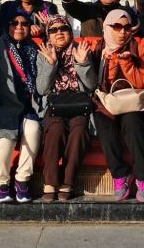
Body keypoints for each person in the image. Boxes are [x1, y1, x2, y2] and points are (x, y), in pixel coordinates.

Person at [0, 13, 43, 203]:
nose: (19, 27)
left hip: (28, 107)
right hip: (3, 105)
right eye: (14, 23)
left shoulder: (35, 49)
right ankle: (1, 185)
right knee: (5, 140)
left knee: (33, 130)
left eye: (24, 23)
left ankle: (22, 180)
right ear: (7, 26)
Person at [94, 9, 144, 202]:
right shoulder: (98, 49)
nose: (122, 32)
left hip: (132, 102)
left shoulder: (138, 48)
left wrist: (126, 63)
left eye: (127, 28)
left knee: (133, 124)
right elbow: (95, 83)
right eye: (117, 27)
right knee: (103, 122)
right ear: (107, 27)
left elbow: (142, 82)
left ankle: (143, 177)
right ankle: (120, 175)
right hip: (107, 102)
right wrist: (88, 63)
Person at [36, 16, 98, 202]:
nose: (59, 33)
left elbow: (91, 85)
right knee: (55, 130)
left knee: (79, 130)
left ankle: (68, 182)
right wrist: (50, 64)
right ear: (48, 34)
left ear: (70, 32)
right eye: (53, 30)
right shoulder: (43, 53)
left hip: (79, 104)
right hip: (54, 104)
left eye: (63, 28)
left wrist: (82, 64)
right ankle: (50, 182)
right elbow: (42, 89)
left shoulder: (82, 50)